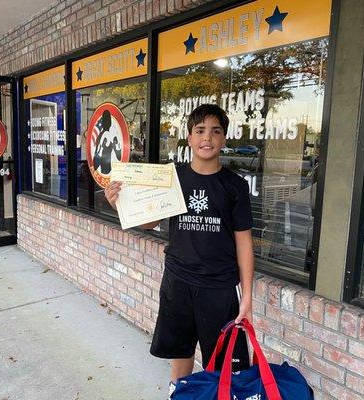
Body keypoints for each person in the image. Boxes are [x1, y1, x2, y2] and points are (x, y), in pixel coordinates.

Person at [104, 104, 254, 399]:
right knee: (180, 352)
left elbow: (244, 242)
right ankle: (178, 394)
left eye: (215, 131)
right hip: (178, 280)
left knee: (225, 365)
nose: (207, 138)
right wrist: (118, 203)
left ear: (224, 138)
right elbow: (150, 222)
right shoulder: (173, 178)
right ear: (189, 137)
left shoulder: (234, 186)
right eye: (200, 131)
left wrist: (247, 296)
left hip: (220, 287)